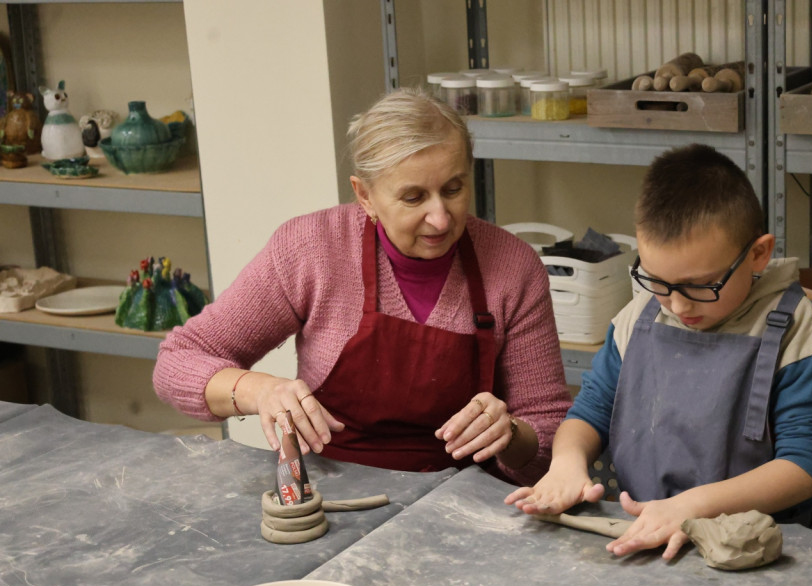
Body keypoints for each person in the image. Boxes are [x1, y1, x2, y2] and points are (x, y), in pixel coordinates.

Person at [153, 88, 572, 485]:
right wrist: (259, 390)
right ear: (365, 195)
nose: (441, 218)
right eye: (413, 198)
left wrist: (512, 433)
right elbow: (176, 364)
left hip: (466, 501)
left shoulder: (514, 268)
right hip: (333, 497)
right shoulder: (311, 249)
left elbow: (550, 440)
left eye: (453, 189)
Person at [506, 143, 812, 557]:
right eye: (659, 282)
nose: (680, 305)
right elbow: (589, 414)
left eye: (701, 285)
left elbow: (806, 466)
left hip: (751, 549)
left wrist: (690, 508)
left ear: (758, 254)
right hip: (642, 537)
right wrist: (567, 462)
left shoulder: (798, 329)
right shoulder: (639, 319)